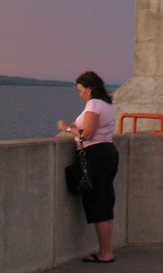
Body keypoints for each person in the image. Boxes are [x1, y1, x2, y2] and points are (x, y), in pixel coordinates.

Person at [57, 71, 118, 263]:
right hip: (108, 152)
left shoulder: (93, 104)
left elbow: (87, 134)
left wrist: (66, 127)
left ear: (89, 89)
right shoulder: (108, 105)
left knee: (97, 201)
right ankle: (107, 250)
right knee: (106, 200)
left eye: (81, 90)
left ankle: (105, 253)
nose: (80, 95)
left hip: (95, 155)